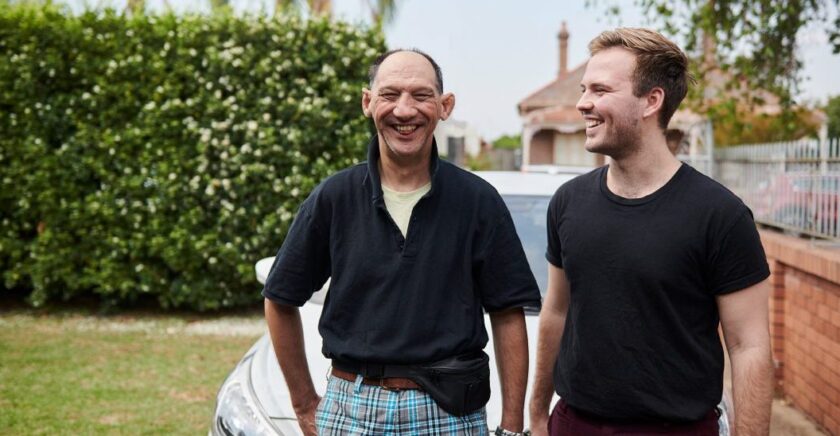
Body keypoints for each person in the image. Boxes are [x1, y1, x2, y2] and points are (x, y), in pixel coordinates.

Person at [263, 48, 541, 436]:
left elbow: (508, 313)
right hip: (351, 409)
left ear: (445, 106)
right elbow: (279, 299)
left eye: (422, 95)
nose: (405, 110)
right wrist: (304, 403)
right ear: (367, 102)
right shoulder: (334, 197)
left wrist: (512, 427)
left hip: (450, 415)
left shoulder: (478, 202)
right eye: (390, 94)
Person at [528, 28, 773, 436]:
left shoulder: (720, 215)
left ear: (651, 101)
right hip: (573, 423)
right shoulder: (568, 202)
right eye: (585, 88)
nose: (582, 103)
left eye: (601, 90)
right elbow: (556, 311)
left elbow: (750, 348)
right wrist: (537, 413)